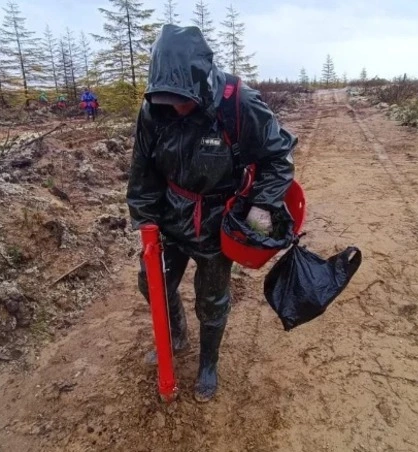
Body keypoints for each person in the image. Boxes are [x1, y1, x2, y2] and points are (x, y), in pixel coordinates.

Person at [127, 25, 296, 403]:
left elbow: (279, 161)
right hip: (171, 215)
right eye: (167, 99)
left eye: (182, 100)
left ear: (203, 81)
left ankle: (208, 363)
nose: (176, 107)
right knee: (152, 282)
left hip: (219, 218)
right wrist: (145, 216)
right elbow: (143, 168)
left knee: (212, 298)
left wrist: (260, 207)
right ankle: (176, 336)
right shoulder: (155, 109)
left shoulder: (240, 104)